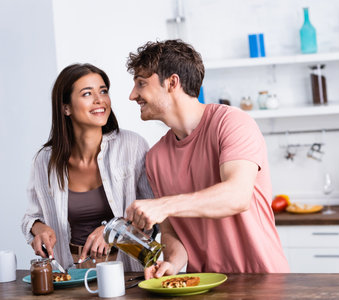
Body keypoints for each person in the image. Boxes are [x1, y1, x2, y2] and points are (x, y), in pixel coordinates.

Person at [125, 40, 290, 279]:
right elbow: (173, 230)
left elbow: (237, 196)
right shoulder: (156, 157)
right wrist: (172, 262)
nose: (132, 95)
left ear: (172, 82)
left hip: (263, 282)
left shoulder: (231, 123)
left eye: (141, 84)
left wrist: (163, 205)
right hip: (203, 286)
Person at [22, 63, 153, 271]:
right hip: (71, 273)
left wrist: (112, 230)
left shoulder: (132, 146)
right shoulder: (45, 160)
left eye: (103, 91)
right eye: (87, 94)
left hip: (127, 270)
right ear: (66, 108)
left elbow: (152, 215)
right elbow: (31, 217)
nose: (100, 99)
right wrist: (39, 229)